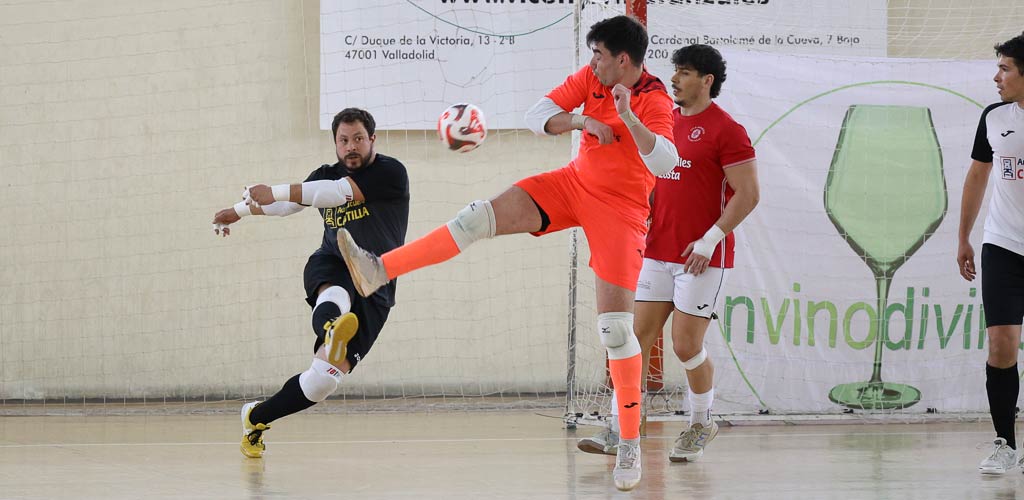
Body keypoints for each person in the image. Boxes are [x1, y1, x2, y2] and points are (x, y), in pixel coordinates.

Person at [329, 15, 674, 491]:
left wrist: (628, 117)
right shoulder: (592, 78)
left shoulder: (655, 97)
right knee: (474, 218)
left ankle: (630, 441)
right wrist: (581, 119)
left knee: (615, 330)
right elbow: (537, 115)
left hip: (622, 211)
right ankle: (377, 270)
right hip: (572, 185)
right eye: (591, 54)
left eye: (599, 54)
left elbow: (666, 161)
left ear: (623, 59)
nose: (592, 62)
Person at [576, 44, 758, 463]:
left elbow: (749, 194)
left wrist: (710, 239)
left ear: (707, 80)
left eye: (686, 73)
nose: (674, 79)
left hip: (701, 257)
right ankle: (623, 428)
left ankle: (700, 422)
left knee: (685, 346)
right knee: (633, 339)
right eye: (674, 71)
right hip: (656, 252)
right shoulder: (664, 123)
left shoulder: (727, 130)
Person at [211, 107, 409, 459]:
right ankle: (333, 327)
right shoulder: (323, 174)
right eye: (343, 140)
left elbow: (333, 194)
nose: (351, 147)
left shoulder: (390, 173)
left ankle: (255, 417)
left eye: (358, 139)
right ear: (335, 142)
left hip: (377, 282)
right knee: (335, 294)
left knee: (322, 381)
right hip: (332, 262)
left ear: (372, 140)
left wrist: (274, 189)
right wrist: (237, 212)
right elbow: (288, 205)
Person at [957, 31, 1024, 475]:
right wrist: (963, 236)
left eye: (1005, 68)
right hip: (1002, 244)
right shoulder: (994, 117)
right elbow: (978, 175)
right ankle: (1005, 444)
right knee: (1001, 344)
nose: (996, 76)